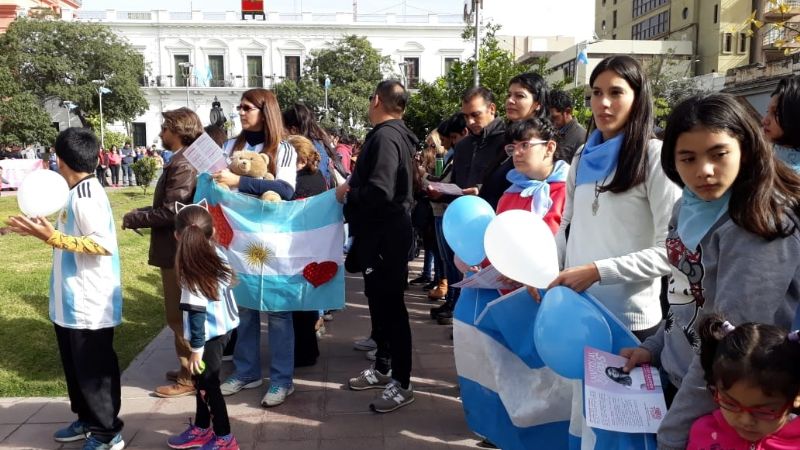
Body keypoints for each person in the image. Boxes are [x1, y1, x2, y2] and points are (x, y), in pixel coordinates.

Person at [621, 92, 800, 449]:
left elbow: (729, 348)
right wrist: (656, 347)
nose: (703, 171)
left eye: (719, 154)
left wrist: (672, 435)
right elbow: (684, 293)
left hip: (730, 404)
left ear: (746, 148)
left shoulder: (759, 226)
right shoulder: (690, 206)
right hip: (682, 381)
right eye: (687, 158)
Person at [538, 55, 680, 341]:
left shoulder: (654, 157)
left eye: (616, 93)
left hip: (629, 321)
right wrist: (543, 272)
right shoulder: (581, 156)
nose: (603, 103)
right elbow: (567, 225)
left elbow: (672, 251)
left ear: (638, 98)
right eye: (597, 93)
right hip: (577, 310)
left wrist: (597, 271)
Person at [6, 128, 124, 450]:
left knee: (94, 371)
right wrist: (35, 232)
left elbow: (102, 245)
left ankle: (107, 432)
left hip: (89, 302)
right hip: (70, 300)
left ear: (60, 160)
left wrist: (52, 238)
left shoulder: (87, 196)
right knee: (77, 368)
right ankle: (86, 419)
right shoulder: (73, 192)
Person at [213, 88, 298, 408]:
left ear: (266, 111)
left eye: (247, 107)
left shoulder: (284, 149)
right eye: (240, 107)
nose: (241, 112)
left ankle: (282, 380)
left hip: (273, 239)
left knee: (278, 312)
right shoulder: (229, 146)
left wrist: (240, 183)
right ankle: (246, 371)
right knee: (244, 309)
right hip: (237, 242)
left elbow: (286, 189)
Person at [338, 79, 418, 413]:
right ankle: (384, 367)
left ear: (376, 101)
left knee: (392, 309)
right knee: (380, 304)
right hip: (382, 235)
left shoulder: (386, 138)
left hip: (386, 235)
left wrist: (349, 193)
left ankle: (402, 381)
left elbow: (380, 191)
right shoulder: (394, 135)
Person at [122, 108, 204, 398]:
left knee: (178, 315)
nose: (160, 133)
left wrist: (135, 218)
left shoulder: (183, 163)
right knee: (181, 313)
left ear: (179, 130)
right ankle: (188, 368)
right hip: (177, 248)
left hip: (177, 250)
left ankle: (188, 376)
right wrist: (141, 212)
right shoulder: (185, 159)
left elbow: (173, 211)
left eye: (165, 128)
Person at [166, 204, 240, 450]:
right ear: (213, 232)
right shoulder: (217, 252)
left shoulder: (191, 269)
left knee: (209, 385)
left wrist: (196, 349)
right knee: (201, 383)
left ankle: (224, 439)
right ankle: (201, 428)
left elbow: (196, 313)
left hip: (208, 339)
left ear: (177, 235)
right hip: (224, 330)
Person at [428, 87, 505, 324]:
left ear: (492, 109)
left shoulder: (509, 138)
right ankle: (467, 322)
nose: (470, 122)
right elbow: (458, 184)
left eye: (476, 115)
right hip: (465, 225)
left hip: (496, 223)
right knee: (467, 278)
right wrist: (441, 192)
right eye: (466, 116)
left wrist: (482, 190)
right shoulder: (463, 146)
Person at [686, 316, 800, 449]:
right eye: (730, 403)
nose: (746, 421)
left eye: (765, 410)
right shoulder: (703, 432)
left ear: (797, 396)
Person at [286, 135, 327, 367]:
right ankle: (308, 350)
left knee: (298, 306)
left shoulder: (299, 181)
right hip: (313, 245)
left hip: (299, 246)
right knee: (305, 304)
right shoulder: (317, 176)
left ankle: (303, 352)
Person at [497, 117, 567, 232]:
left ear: (549, 148)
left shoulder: (571, 191)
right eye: (512, 147)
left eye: (525, 145)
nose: (516, 153)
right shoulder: (508, 196)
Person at [427, 113, 468, 302]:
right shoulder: (451, 155)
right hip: (443, 209)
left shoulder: (458, 155)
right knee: (446, 259)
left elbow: (448, 182)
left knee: (452, 261)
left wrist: (429, 181)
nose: (447, 144)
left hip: (449, 211)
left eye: (451, 138)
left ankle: (454, 300)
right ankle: (451, 299)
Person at [763, 74, 800, 171]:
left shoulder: (792, 177)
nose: (764, 121)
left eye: (776, 113)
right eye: (768, 112)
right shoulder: (761, 160)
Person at [548, 89, 587, 163]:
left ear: (568, 111)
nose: (550, 121)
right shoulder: (552, 132)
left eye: (554, 117)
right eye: (548, 117)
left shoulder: (582, 137)